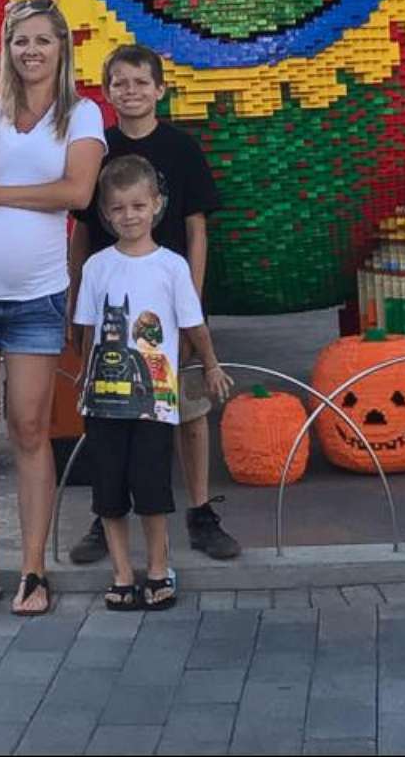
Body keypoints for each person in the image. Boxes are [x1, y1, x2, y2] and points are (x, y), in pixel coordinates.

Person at [0, 0, 105, 616]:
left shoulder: (80, 115)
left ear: (62, 47)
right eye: (19, 41)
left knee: (31, 431)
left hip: (37, 295)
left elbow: (76, 191)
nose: (30, 51)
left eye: (42, 40)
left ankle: (33, 569)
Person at [68, 43, 242, 563]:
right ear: (107, 91)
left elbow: (197, 229)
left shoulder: (182, 148)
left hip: (170, 300)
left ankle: (201, 511)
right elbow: (82, 231)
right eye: (119, 82)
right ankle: (108, 514)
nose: (131, 91)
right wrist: (77, 296)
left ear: (160, 89)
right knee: (111, 410)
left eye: (141, 82)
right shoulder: (97, 149)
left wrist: (193, 300)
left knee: (189, 410)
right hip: (112, 303)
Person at [74, 155, 232, 610]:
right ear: (106, 213)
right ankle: (122, 572)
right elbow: (89, 326)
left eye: (138, 206)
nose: (129, 216)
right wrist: (85, 371)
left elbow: (193, 324)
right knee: (108, 488)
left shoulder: (172, 266)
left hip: (154, 402)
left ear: (157, 206)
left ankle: (159, 567)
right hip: (103, 402)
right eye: (119, 208)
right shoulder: (97, 267)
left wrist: (211, 363)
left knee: (151, 487)